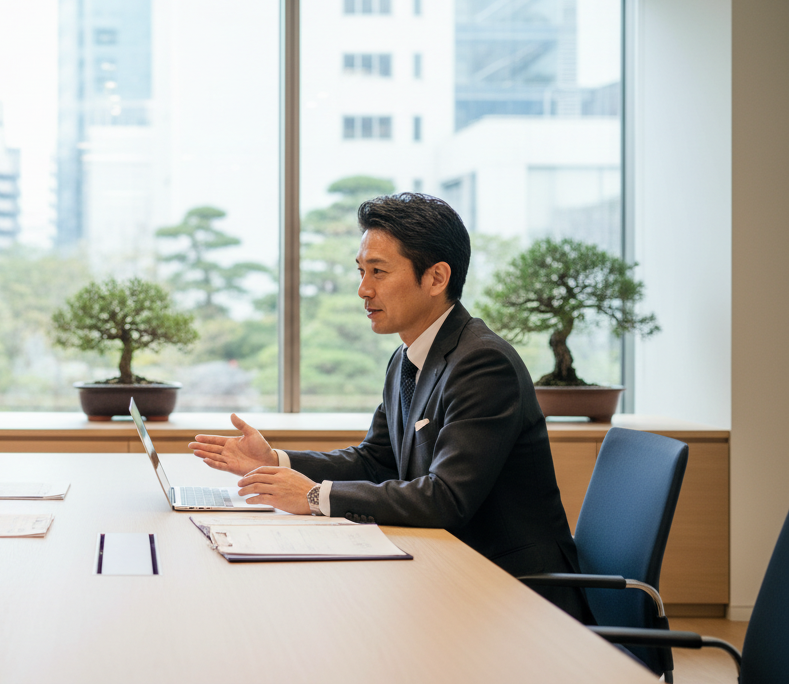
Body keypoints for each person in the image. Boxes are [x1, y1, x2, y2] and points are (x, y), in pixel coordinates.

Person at [188, 193, 592, 622]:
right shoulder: (407, 356)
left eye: (378, 272)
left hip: (515, 594)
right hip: (448, 571)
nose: (363, 289)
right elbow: (377, 460)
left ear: (436, 277)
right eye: (361, 271)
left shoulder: (482, 363)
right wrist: (275, 461)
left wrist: (312, 496)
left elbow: (446, 498)